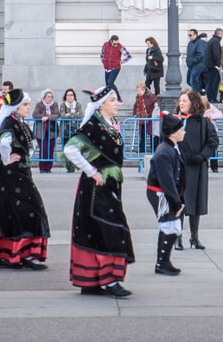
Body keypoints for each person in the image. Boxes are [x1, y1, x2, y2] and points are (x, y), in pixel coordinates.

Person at [62, 88, 135, 298]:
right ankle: (110, 280)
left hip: (110, 185)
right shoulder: (93, 125)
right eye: (112, 100)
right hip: (96, 187)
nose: (117, 103)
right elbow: (70, 149)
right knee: (110, 227)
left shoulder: (110, 124)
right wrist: (92, 171)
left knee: (97, 228)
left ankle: (92, 280)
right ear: (101, 104)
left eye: (116, 99)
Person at [0, 89, 50, 270]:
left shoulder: (17, 121)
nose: (28, 108)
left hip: (19, 174)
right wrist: (7, 159)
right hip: (13, 175)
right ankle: (23, 254)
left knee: (14, 212)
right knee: (24, 211)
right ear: (16, 107)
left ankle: (13, 252)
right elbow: (3, 142)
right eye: (25, 105)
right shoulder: (10, 123)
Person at [176, 89, 217, 250]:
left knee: (196, 202)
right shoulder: (176, 120)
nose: (181, 103)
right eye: (180, 101)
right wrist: (181, 156)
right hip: (180, 166)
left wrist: (202, 156)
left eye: (184, 101)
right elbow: (169, 140)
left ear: (193, 103)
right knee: (179, 202)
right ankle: (177, 238)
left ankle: (194, 237)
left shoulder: (203, 122)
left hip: (198, 166)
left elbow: (213, 141)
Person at [147, 113, 186, 275]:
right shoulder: (165, 152)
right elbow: (167, 181)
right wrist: (175, 202)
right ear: (174, 132)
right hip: (160, 194)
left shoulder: (170, 148)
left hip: (166, 193)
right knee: (170, 225)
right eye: (182, 129)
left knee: (170, 225)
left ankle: (163, 261)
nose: (184, 132)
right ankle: (162, 262)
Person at [33, 89, 60, 173]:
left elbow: (57, 115)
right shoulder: (39, 105)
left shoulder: (54, 105)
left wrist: (48, 117)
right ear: (44, 97)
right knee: (43, 148)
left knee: (51, 148)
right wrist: (42, 117)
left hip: (51, 130)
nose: (50, 98)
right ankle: (42, 167)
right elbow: (35, 115)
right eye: (48, 97)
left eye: (51, 97)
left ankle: (48, 167)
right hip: (41, 130)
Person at [101, 35, 131, 100]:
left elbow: (128, 56)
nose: (116, 45)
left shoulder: (120, 47)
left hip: (115, 67)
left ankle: (118, 98)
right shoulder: (105, 45)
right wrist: (103, 61)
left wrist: (121, 62)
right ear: (111, 41)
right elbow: (102, 53)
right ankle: (110, 99)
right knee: (107, 85)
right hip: (107, 67)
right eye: (114, 43)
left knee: (110, 82)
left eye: (117, 43)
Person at [60, 89, 82, 172]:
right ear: (65, 96)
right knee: (66, 149)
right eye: (68, 95)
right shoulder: (63, 105)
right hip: (66, 130)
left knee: (74, 148)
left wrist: (69, 114)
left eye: (71, 95)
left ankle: (74, 165)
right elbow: (62, 116)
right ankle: (69, 166)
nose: (70, 96)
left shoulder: (78, 105)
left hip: (75, 130)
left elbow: (80, 115)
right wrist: (74, 114)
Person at [133, 82, 157, 155]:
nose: (138, 92)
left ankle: (153, 148)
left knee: (151, 133)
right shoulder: (138, 97)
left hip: (149, 118)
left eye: (139, 91)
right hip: (141, 118)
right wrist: (134, 114)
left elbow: (155, 103)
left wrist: (154, 112)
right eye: (137, 91)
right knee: (142, 134)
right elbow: (135, 106)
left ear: (144, 90)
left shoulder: (151, 96)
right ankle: (142, 148)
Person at [205, 28, 223, 102]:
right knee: (214, 82)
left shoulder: (212, 40)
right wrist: (218, 65)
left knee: (213, 81)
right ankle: (212, 98)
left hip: (210, 65)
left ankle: (211, 97)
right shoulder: (216, 41)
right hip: (213, 66)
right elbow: (216, 54)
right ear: (219, 34)